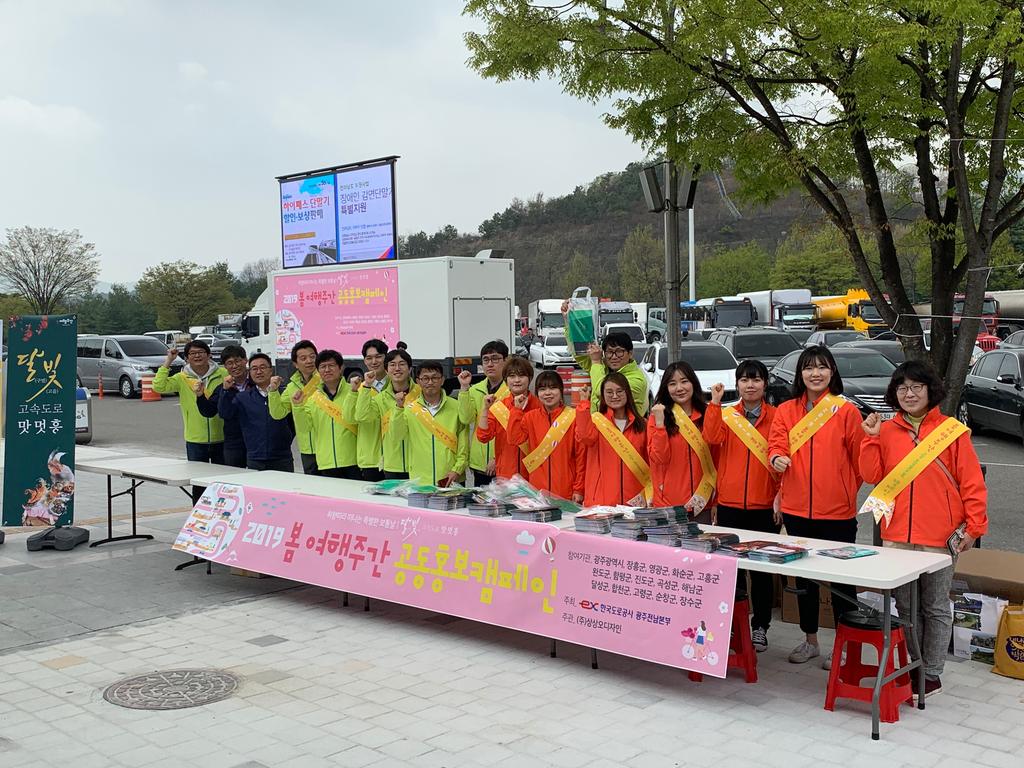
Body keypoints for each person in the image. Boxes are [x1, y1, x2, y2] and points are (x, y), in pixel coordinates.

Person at [859, 360, 988, 698]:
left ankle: (931, 673)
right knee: (905, 606)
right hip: (897, 537)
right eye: (902, 388)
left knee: (934, 606)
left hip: (939, 538)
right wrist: (870, 439)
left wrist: (974, 527)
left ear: (931, 390)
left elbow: (972, 484)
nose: (909, 393)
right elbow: (871, 475)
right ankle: (912, 665)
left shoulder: (952, 432)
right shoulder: (886, 431)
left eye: (916, 386)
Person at [767, 345, 865, 668]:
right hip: (796, 511)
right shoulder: (786, 410)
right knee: (805, 580)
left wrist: (845, 489)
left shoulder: (846, 412)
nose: (815, 373)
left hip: (837, 513)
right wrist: (777, 458)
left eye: (822, 367)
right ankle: (810, 641)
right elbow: (776, 443)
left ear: (832, 372)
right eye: (809, 368)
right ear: (801, 374)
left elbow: (860, 461)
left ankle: (845, 646)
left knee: (841, 582)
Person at [704, 360, 781, 653]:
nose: (750, 385)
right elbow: (710, 438)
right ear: (737, 384)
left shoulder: (778, 416)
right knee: (731, 571)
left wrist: (781, 494)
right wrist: (714, 403)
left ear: (765, 383)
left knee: (761, 573)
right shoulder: (726, 415)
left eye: (756, 380)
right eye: (745, 380)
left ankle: (760, 626)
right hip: (730, 505)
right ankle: (732, 625)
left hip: (764, 506)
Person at [647, 361, 716, 512]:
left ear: (693, 383)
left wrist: (716, 501)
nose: (679, 388)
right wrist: (660, 425)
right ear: (666, 388)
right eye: (672, 384)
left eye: (684, 381)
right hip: (669, 504)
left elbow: (717, 459)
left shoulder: (707, 414)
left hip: (702, 501)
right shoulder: (658, 416)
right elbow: (659, 458)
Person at [507, 370, 584, 502]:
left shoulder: (573, 417)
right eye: (542, 389)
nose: (547, 393)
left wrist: (579, 489)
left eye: (553, 388)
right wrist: (516, 410)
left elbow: (581, 457)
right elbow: (514, 439)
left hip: (566, 490)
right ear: (537, 393)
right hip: (537, 491)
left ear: (561, 391)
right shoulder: (530, 417)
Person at [562, 299, 649, 415]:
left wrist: (596, 361)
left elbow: (602, 391)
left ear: (630, 353)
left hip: (624, 431)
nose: (613, 357)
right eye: (609, 352)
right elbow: (580, 355)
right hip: (599, 427)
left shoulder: (637, 380)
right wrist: (569, 321)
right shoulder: (604, 368)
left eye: (619, 352)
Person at [390, 361, 469, 486]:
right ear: (418, 381)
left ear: (442, 380)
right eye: (425, 378)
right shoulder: (410, 409)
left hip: (450, 478)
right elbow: (396, 436)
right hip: (420, 479)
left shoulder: (456, 406)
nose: (430, 382)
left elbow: (463, 442)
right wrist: (398, 408)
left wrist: (457, 470)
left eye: (435, 378)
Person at [575, 372, 649, 506]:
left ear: (627, 393)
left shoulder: (643, 425)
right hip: (601, 502)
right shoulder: (596, 422)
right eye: (609, 392)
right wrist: (584, 403)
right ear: (603, 396)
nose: (615, 396)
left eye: (619, 391)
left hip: (634, 501)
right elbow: (584, 436)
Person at [217, 353, 295, 471]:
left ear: (271, 370)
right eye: (254, 368)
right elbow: (225, 414)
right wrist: (225, 391)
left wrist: (286, 438)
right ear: (250, 372)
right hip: (255, 457)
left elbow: (292, 422)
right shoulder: (243, 397)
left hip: (282, 457)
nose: (258, 372)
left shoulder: (284, 393)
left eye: (263, 367)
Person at [153, 340, 228, 464]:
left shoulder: (223, 374)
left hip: (222, 437)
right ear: (187, 358)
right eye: (192, 353)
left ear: (209, 355)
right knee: (197, 479)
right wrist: (169, 360)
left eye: (201, 352)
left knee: (222, 479)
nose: (197, 356)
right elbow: (159, 386)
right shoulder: (182, 378)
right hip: (195, 439)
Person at [289, 350, 359, 480]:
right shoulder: (312, 398)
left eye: (331, 365)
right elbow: (305, 428)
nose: (327, 370)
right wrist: (298, 407)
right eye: (322, 367)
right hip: (326, 462)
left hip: (354, 461)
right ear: (318, 371)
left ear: (341, 367)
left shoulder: (355, 391)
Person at [356, 348, 419, 480]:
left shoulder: (421, 394)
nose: (397, 368)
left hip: (418, 463)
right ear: (386, 370)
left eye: (402, 364)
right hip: (392, 465)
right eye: (392, 365)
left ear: (410, 369)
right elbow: (361, 416)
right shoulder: (381, 398)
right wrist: (367, 386)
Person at [474, 355, 540, 481]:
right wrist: (485, 409)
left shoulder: (539, 405)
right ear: (505, 380)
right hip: (506, 475)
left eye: (521, 376)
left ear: (530, 378)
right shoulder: (499, 407)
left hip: (535, 475)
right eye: (512, 376)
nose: (517, 380)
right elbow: (483, 437)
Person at [458, 340, 509, 486]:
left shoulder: (512, 391)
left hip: (503, 463)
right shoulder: (475, 389)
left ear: (505, 361)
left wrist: (496, 458)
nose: (490, 364)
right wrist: (464, 388)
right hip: (479, 463)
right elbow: (465, 418)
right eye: (486, 360)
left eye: (495, 359)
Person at [269, 340, 319, 474]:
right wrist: (273, 391)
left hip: (329, 446)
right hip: (306, 448)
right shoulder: (292, 387)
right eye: (303, 358)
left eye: (312, 356)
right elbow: (278, 413)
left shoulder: (326, 381)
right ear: (295, 364)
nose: (309, 361)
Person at [196, 345, 248, 468]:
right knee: (234, 480)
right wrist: (200, 396)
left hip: (257, 443)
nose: (234, 366)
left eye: (238, 361)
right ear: (225, 367)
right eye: (229, 363)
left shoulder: (257, 384)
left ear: (245, 360)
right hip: (234, 444)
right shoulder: (222, 388)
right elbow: (209, 411)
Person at [353, 339, 389, 481]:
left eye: (378, 356)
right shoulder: (360, 389)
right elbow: (354, 417)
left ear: (386, 358)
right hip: (370, 460)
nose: (374, 361)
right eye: (369, 358)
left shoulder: (397, 386)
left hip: (396, 459)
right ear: (364, 361)